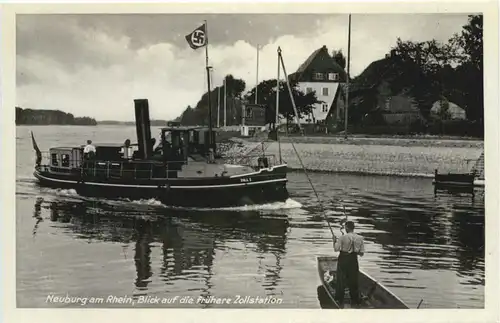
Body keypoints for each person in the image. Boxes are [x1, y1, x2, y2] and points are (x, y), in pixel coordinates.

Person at [333, 220, 365, 308]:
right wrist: (354, 251)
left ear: (346, 227)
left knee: (341, 280)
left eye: (345, 227)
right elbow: (361, 253)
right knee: (353, 280)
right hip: (354, 260)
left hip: (343, 259)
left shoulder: (342, 237)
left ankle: (339, 300)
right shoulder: (360, 238)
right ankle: (355, 300)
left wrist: (334, 241)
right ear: (353, 228)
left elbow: (336, 249)